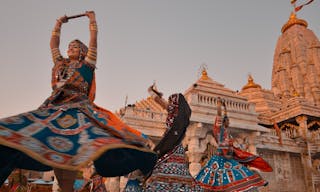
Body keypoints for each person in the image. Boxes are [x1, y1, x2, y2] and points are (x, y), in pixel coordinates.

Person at [0, 11, 157, 192]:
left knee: (77, 158)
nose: (70, 48)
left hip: (79, 112)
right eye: (69, 46)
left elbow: (93, 42)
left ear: (83, 52)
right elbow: (53, 45)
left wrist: (92, 21)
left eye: (75, 46)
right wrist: (59, 23)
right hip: (53, 110)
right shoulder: (60, 64)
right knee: (10, 130)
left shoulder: (87, 65)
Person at [124, 84, 202, 192]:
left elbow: (160, 102)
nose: (170, 103)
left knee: (158, 164)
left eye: (172, 101)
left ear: (175, 104)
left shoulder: (175, 114)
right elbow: (160, 101)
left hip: (170, 145)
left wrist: (152, 92)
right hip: (173, 145)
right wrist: (153, 92)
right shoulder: (177, 115)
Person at [195, 98, 272, 192]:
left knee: (243, 173)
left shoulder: (226, 132)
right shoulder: (220, 131)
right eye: (227, 121)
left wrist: (225, 108)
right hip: (222, 158)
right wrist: (219, 107)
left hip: (227, 157)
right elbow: (218, 121)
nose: (228, 122)